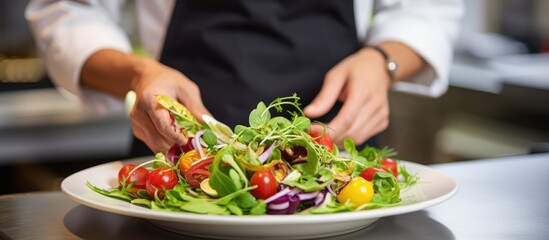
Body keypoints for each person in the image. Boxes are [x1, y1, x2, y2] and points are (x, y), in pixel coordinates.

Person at [26, 0, 463, 156]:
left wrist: (382, 60)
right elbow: (67, 11)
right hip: (179, 150)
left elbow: (425, 9)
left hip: (336, 162)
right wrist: (140, 73)